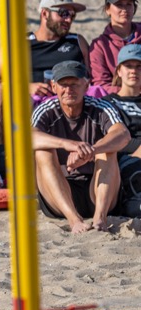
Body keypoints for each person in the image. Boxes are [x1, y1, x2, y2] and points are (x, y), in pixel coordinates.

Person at [32, 60, 128, 233]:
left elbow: (123, 134)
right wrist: (68, 144)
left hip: (97, 192)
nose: (69, 90)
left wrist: (91, 151)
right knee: (43, 151)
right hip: (59, 195)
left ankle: (100, 218)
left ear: (86, 85)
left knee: (108, 151)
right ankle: (74, 219)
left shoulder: (100, 107)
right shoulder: (46, 109)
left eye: (74, 84)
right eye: (63, 84)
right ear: (54, 87)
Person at [0, 0, 91, 144]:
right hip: (29, 102)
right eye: (63, 13)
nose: (68, 19)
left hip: (68, 100)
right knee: (0, 91)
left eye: (72, 15)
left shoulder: (77, 42)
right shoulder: (19, 43)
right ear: (44, 13)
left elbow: (90, 77)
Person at [103, 44, 141, 213]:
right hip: (124, 160)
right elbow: (109, 138)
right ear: (119, 71)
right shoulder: (107, 103)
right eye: (128, 66)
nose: (134, 71)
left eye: (139, 66)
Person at [90, 0, 141, 96]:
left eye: (129, 4)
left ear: (134, 8)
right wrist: (129, 93)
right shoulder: (99, 45)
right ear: (107, 9)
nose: (124, 9)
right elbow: (101, 84)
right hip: (116, 101)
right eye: (119, 5)